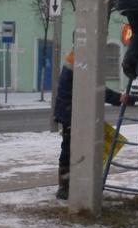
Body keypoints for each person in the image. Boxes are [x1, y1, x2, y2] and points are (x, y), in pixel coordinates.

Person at [52, 50, 127, 199]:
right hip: (72, 114)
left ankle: (69, 184)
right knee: (69, 149)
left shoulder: (76, 57)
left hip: (71, 113)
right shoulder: (80, 62)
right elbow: (95, 88)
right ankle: (65, 187)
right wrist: (118, 98)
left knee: (70, 147)